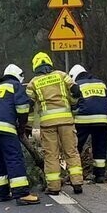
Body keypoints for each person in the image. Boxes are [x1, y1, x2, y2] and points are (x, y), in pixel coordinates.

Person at [0, 64, 40, 206]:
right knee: (13, 157)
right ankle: (22, 194)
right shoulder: (15, 86)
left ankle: (2, 193)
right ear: (19, 76)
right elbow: (23, 108)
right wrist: (22, 127)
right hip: (4, 126)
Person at [26, 52, 84, 195]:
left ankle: (54, 187)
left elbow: (28, 106)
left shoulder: (33, 83)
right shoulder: (61, 75)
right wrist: (74, 104)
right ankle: (77, 182)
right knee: (71, 152)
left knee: (51, 155)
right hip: (66, 121)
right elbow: (76, 91)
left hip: (48, 124)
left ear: (35, 66)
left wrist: (27, 126)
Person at [69, 65, 107, 183]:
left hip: (82, 121)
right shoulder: (101, 83)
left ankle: (74, 174)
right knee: (100, 146)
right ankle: (100, 175)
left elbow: (72, 104)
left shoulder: (77, 86)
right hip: (101, 121)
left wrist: (74, 114)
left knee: (76, 147)